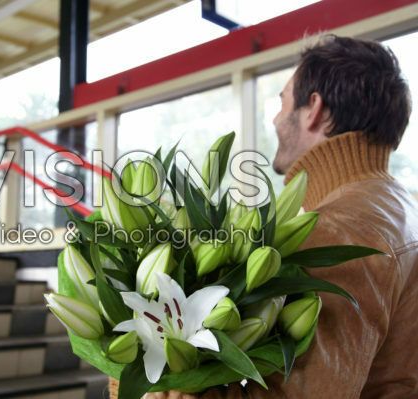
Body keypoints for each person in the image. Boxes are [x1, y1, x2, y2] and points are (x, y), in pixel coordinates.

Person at [145, 34, 417, 398]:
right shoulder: (400, 208)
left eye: (283, 102)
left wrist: (177, 389)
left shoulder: (337, 234)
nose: (275, 118)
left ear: (314, 108)